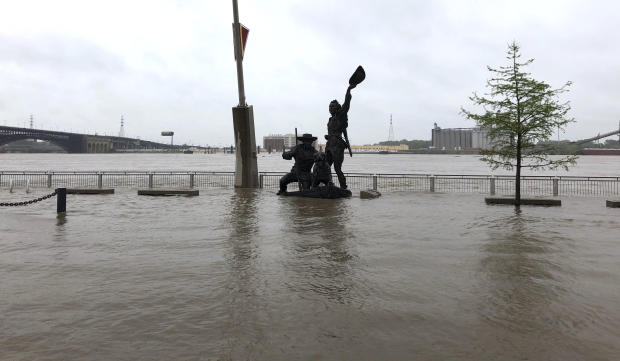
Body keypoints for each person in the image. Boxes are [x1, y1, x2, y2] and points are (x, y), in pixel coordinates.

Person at [325, 84, 355, 189]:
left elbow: (346, 104)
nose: (330, 108)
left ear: (337, 108)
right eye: (329, 106)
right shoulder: (330, 119)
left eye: (332, 106)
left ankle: (343, 187)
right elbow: (343, 130)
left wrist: (348, 90)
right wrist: (328, 136)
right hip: (329, 145)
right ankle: (328, 183)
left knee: (337, 168)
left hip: (337, 145)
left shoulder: (341, 115)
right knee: (326, 166)